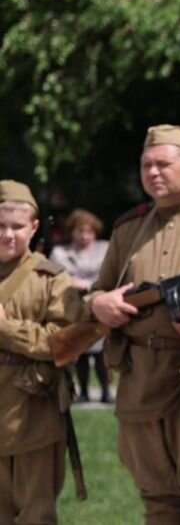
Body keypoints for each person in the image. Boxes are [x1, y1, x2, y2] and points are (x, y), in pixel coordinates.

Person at [88, 125, 180, 524]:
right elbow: (97, 292)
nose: (153, 173)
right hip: (140, 379)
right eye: (146, 165)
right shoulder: (128, 229)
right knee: (158, 501)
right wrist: (100, 304)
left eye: (163, 164)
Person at [0, 180, 82, 524]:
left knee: (36, 515)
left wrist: (5, 329)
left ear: (33, 227)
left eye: (17, 226)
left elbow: (65, 344)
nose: (8, 234)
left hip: (30, 412)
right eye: (0, 226)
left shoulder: (52, 279)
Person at [50, 209, 112, 403]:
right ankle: (83, 391)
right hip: (73, 307)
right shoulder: (60, 252)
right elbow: (56, 276)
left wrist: (85, 284)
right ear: (72, 231)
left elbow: (109, 275)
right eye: (80, 231)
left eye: (89, 231)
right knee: (80, 351)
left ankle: (106, 391)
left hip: (98, 306)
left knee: (101, 353)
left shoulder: (105, 249)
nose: (85, 236)